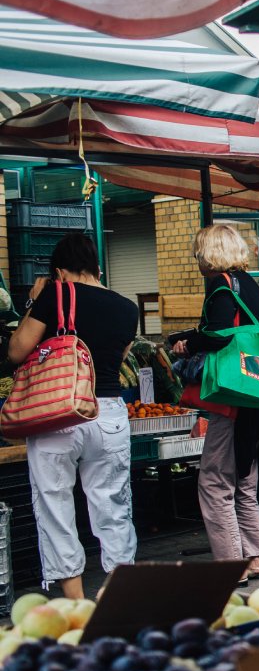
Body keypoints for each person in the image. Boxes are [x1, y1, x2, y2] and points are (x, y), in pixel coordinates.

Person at [9, 233, 138, 598]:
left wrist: (34, 301)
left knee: (55, 504)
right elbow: (119, 358)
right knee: (113, 503)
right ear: (97, 266)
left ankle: (76, 601)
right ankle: (116, 595)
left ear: (60, 271)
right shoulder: (128, 307)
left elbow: (18, 350)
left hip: (59, 412)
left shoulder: (55, 294)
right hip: (108, 413)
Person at [171, 225, 259, 586]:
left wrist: (188, 340)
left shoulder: (220, 286)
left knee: (215, 481)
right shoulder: (251, 288)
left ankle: (232, 565)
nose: (196, 258)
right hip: (257, 396)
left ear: (210, 253)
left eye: (198, 251)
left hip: (232, 400)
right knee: (244, 477)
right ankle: (258, 556)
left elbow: (218, 336)